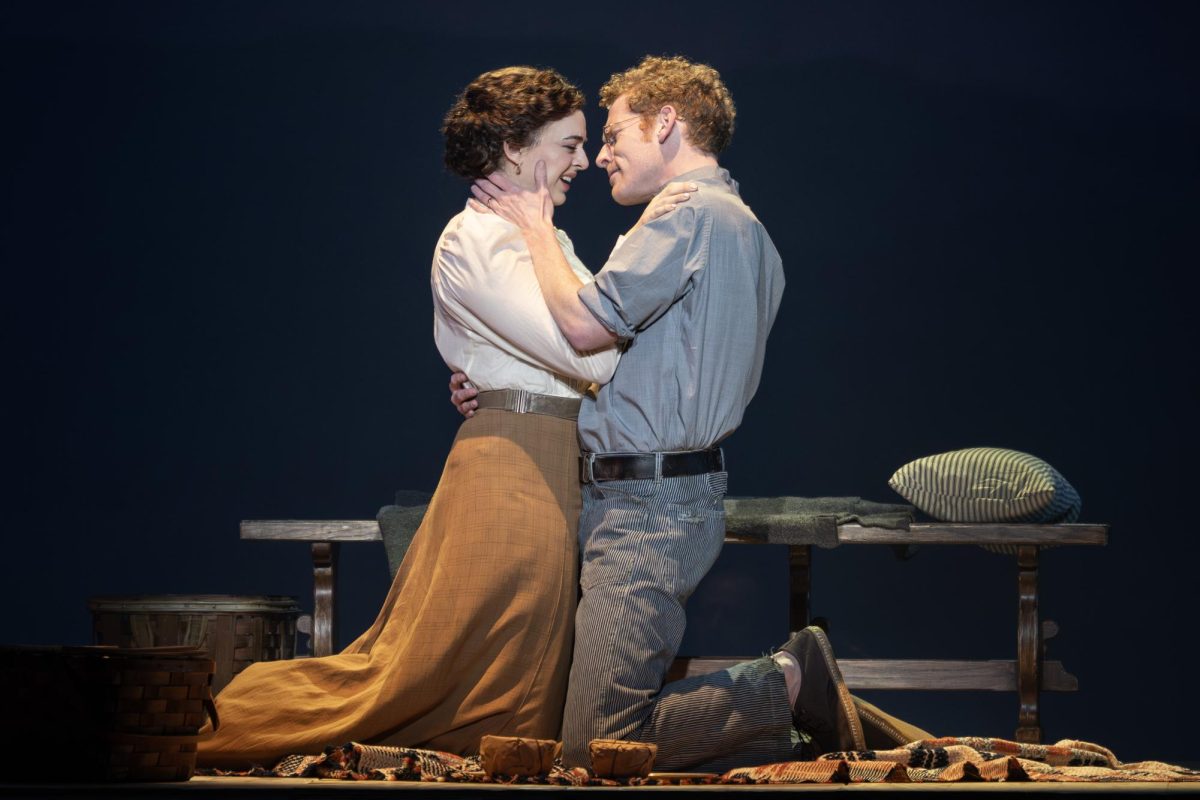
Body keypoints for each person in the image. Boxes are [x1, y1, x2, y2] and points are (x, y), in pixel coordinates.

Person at [197, 66, 688, 768]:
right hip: (513, 470)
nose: (584, 161)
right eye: (570, 145)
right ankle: (218, 723)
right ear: (516, 148)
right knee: (421, 672)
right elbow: (597, 359)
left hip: (552, 461)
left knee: (517, 673)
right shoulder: (477, 241)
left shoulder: (541, 238)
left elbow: (589, 345)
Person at [465, 55, 930, 772]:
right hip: (662, 496)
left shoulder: (686, 214)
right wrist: (495, 382)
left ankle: (787, 680)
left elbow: (588, 329)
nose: (602, 155)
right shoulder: (749, 230)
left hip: (647, 503)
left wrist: (532, 225)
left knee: (593, 747)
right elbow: (632, 367)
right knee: (589, 723)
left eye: (617, 133)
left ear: (669, 124)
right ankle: (785, 693)